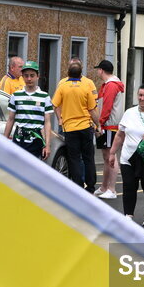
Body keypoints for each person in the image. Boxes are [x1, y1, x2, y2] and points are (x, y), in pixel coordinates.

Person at [110, 84, 144, 226]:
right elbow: (120, 134)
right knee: (129, 186)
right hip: (128, 157)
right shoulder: (129, 113)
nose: (142, 98)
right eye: (140, 95)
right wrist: (112, 153)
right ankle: (128, 216)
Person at [52, 58, 100, 191]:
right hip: (85, 127)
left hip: (70, 128)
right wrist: (98, 125)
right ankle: (90, 186)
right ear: (80, 74)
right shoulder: (86, 86)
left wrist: (60, 120)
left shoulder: (62, 85)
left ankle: (77, 186)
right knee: (88, 157)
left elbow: (55, 105)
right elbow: (92, 109)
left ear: (68, 72)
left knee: (74, 158)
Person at [3, 60, 53, 160]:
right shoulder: (16, 96)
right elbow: (11, 120)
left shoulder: (45, 97)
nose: (29, 79)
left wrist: (47, 145)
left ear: (37, 76)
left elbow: (47, 122)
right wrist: (4, 141)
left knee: (34, 172)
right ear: (22, 76)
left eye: (32, 75)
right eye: (26, 76)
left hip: (36, 140)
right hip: (19, 139)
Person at [93, 60, 125, 200]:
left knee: (111, 156)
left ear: (101, 70)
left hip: (109, 125)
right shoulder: (110, 84)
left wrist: (99, 122)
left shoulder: (111, 86)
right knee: (107, 157)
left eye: (98, 70)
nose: (97, 72)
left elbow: (107, 106)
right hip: (108, 124)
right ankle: (104, 186)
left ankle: (111, 189)